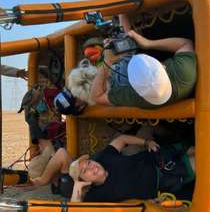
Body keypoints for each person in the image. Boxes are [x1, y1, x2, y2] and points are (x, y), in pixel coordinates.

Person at [54, 14, 197, 114]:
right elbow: (186, 43)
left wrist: (108, 61)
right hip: (119, 65)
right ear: (161, 65)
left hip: (112, 69)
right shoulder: (184, 72)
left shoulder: (137, 97)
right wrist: (147, 43)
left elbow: (97, 95)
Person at [69, 134, 195, 202]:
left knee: (196, 148)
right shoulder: (97, 195)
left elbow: (121, 139)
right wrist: (77, 185)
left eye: (89, 162)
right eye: (85, 171)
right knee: (200, 160)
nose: (91, 167)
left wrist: (146, 142)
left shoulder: (104, 157)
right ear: (83, 180)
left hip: (158, 154)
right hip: (165, 178)